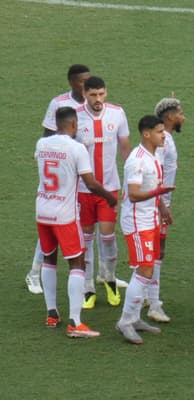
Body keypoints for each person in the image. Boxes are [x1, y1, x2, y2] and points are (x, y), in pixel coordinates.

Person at [35, 106, 117, 338]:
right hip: (65, 215)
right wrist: (110, 197)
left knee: (49, 259)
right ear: (73, 125)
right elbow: (90, 183)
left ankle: (52, 313)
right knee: (77, 263)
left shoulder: (41, 145)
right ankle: (75, 322)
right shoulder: (76, 148)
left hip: (42, 210)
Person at [26, 64, 91, 295]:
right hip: (62, 172)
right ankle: (34, 272)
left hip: (85, 170)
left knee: (88, 222)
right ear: (72, 82)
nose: (86, 85)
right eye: (83, 81)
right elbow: (46, 137)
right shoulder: (59, 103)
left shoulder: (93, 103)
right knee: (53, 219)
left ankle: (96, 277)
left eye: (89, 80)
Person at [116, 115, 174, 344]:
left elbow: (153, 187)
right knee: (145, 270)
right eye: (160, 131)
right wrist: (159, 194)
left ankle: (134, 317)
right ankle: (125, 322)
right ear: (147, 134)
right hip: (137, 222)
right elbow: (134, 193)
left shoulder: (153, 156)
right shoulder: (137, 160)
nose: (164, 135)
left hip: (149, 219)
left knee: (144, 270)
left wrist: (162, 208)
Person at [75, 76, 132, 309]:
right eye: (93, 95)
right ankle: (87, 286)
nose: (98, 99)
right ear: (85, 94)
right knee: (86, 239)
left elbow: (126, 150)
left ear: (106, 93)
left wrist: (130, 183)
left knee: (107, 236)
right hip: (83, 189)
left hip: (109, 188)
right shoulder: (75, 116)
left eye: (101, 94)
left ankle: (109, 278)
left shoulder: (117, 113)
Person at [145, 97, 186, 323]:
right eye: (180, 113)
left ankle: (144, 293)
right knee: (157, 250)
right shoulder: (164, 141)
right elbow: (155, 172)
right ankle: (154, 302)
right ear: (169, 116)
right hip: (155, 203)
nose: (183, 117)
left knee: (152, 249)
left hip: (156, 201)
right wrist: (162, 205)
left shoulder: (164, 138)